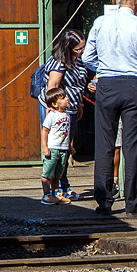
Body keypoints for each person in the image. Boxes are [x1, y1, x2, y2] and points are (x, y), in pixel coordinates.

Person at [81, 0, 137, 216]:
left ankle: (104, 202)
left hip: (107, 86)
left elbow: (86, 57)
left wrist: (102, 72)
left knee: (104, 143)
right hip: (133, 86)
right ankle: (133, 203)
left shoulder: (100, 22)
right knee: (132, 146)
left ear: (120, 0)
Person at [39, 29, 95, 201]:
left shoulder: (80, 61)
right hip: (57, 109)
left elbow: (79, 85)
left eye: (83, 48)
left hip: (72, 107)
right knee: (56, 149)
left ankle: (62, 187)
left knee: (66, 148)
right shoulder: (59, 61)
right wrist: (52, 109)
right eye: (78, 49)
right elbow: (53, 85)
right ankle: (56, 188)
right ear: (68, 47)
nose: (82, 52)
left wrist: (80, 104)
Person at [40, 87, 74, 205]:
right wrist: (45, 147)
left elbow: (67, 132)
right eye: (63, 98)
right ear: (54, 104)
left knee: (58, 174)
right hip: (53, 148)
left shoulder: (67, 115)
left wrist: (69, 146)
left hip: (63, 148)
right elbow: (45, 131)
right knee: (48, 173)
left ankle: (56, 194)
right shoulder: (52, 115)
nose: (67, 99)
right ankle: (46, 195)